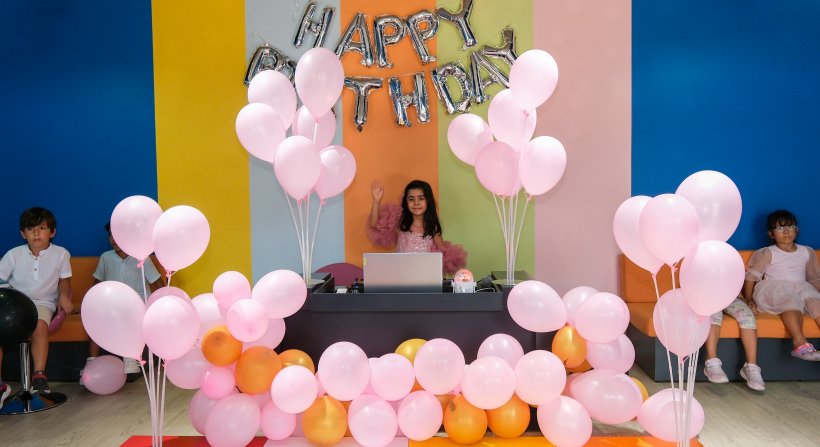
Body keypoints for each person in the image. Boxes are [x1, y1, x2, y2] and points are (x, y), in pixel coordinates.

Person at [0, 207, 73, 399]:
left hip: (42, 303)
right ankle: (1, 387)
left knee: (39, 325)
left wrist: (64, 296)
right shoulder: (13, 254)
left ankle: (39, 376)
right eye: (30, 229)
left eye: (42, 228)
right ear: (23, 234)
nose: (36, 233)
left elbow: (64, 280)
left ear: (52, 232)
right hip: (15, 303)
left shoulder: (61, 254)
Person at [82, 223, 164, 383]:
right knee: (96, 318)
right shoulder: (106, 257)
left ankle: (131, 355)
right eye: (111, 235)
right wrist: (89, 304)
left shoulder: (142, 258)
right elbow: (97, 284)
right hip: (112, 303)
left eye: (118, 235)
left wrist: (161, 304)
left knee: (128, 313)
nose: (114, 239)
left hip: (137, 302)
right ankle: (91, 360)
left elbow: (158, 283)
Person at [743, 209, 820, 361]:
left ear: (796, 230)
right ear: (771, 234)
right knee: (790, 300)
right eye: (780, 228)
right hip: (775, 289)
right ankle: (800, 344)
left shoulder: (807, 251)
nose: (786, 231)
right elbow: (751, 278)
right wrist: (748, 299)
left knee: (816, 303)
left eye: (790, 227)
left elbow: (814, 278)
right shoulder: (768, 252)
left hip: (802, 288)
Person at [367, 179, 467, 275]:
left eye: (421, 198)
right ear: (406, 202)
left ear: (428, 201)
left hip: (424, 275)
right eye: (411, 199)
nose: (416, 203)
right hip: (401, 274)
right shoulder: (400, 222)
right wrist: (376, 201)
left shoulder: (433, 227)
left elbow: (443, 253)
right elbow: (374, 224)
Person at [702, 296, 764, 390]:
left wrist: (747, 302)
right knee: (714, 313)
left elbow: (736, 290)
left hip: (729, 297)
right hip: (707, 296)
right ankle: (711, 363)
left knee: (747, 316)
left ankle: (751, 368)